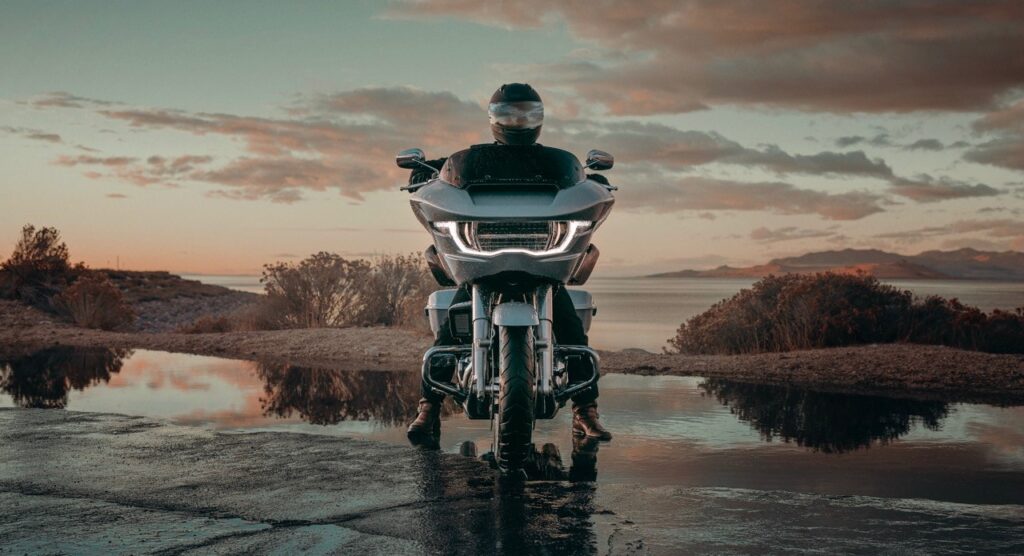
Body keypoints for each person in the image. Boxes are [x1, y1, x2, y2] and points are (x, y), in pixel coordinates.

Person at [406, 83, 612, 447]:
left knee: (569, 325)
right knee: (450, 327)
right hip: (482, 263)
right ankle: (428, 408)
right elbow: (449, 174)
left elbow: (576, 176)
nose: (517, 120)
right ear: (494, 119)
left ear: (538, 119)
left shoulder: (553, 163)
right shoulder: (477, 161)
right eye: (508, 114)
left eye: (526, 114)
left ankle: (586, 412)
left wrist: (592, 178)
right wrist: (426, 173)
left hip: (541, 263)